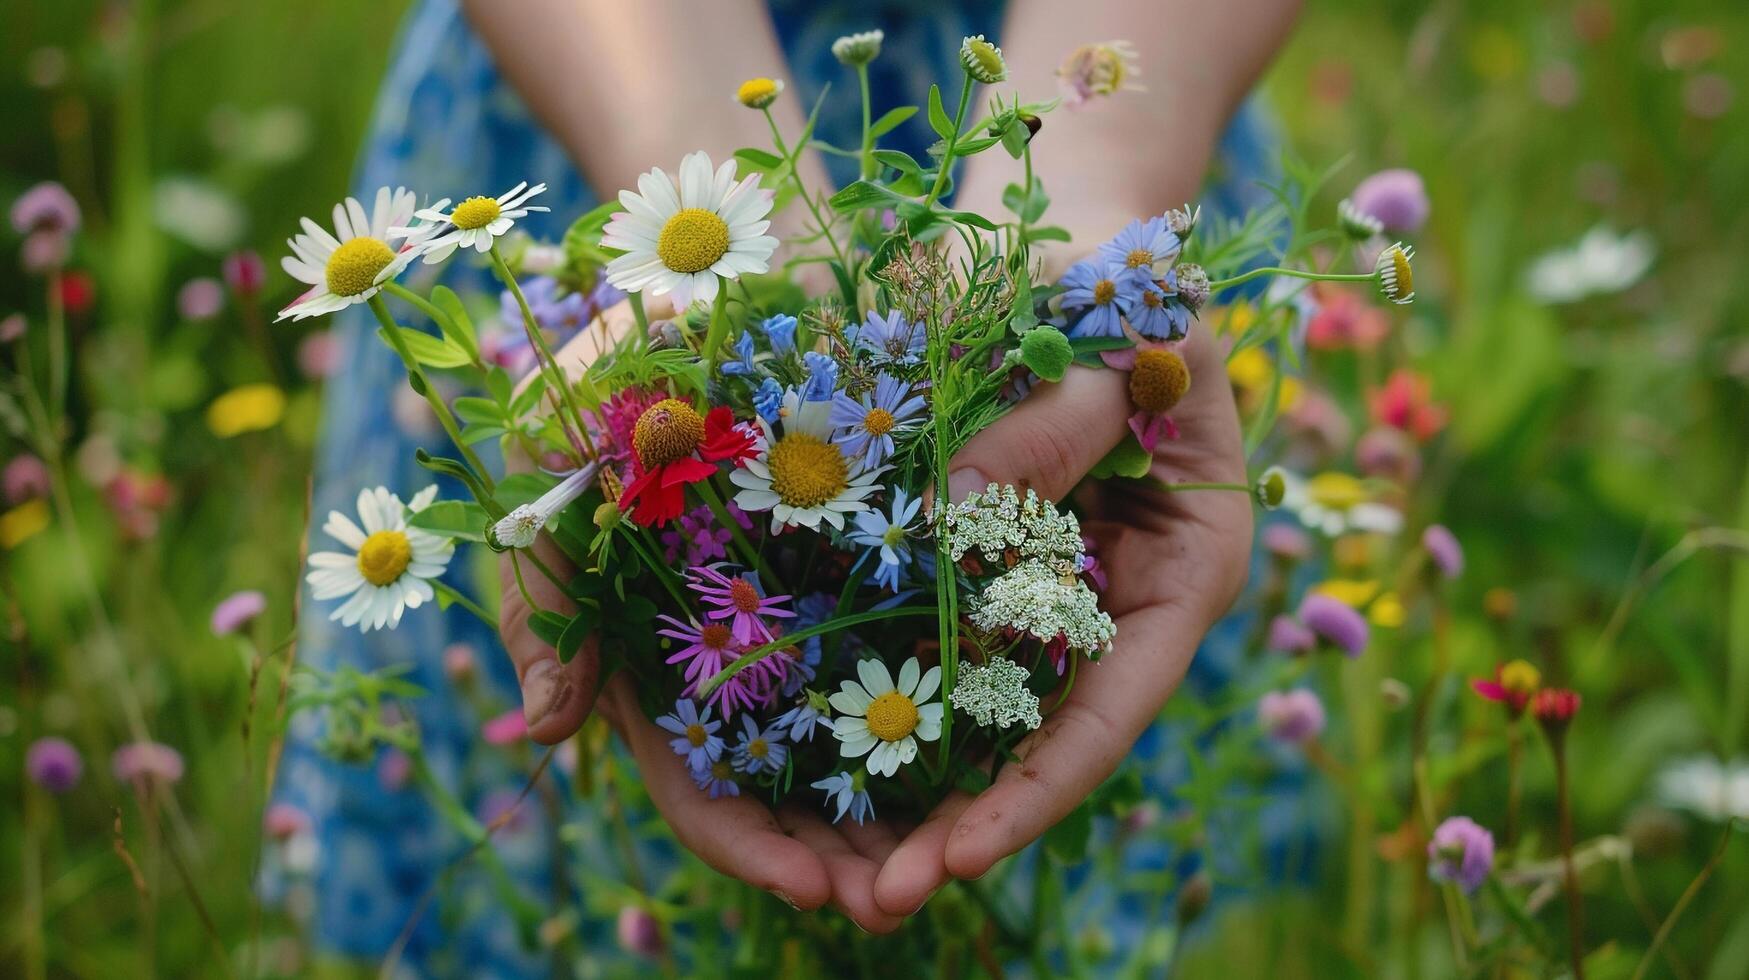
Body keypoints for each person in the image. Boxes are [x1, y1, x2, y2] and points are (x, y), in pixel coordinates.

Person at [278, 0, 1301, 970]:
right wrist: (712, 250)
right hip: (597, 83)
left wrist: (1080, 222)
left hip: (1142, 71)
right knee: (573, 907)